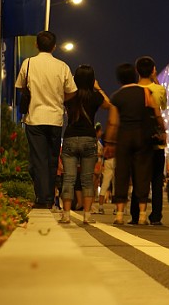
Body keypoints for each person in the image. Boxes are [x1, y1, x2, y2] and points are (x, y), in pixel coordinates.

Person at [16, 31, 78, 209]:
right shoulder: (62, 66)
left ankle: (42, 198)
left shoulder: (28, 63)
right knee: (51, 159)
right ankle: (49, 197)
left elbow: (20, 86)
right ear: (54, 47)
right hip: (55, 118)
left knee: (38, 159)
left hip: (34, 118)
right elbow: (72, 91)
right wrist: (59, 99)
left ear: (36, 45)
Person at [103, 63, 163, 226]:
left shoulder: (117, 96)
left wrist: (109, 142)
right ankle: (143, 215)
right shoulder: (145, 92)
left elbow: (113, 122)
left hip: (124, 138)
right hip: (143, 137)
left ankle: (120, 214)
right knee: (142, 174)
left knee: (122, 174)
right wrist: (162, 130)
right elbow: (157, 114)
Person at [58, 65, 111, 225]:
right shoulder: (94, 97)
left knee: (69, 178)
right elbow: (108, 104)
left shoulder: (69, 96)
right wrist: (98, 87)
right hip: (89, 138)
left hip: (70, 138)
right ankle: (87, 216)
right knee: (87, 179)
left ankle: (66, 214)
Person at [130, 56, 168, 226]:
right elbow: (163, 107)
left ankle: (136, 213)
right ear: (153, 70)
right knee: (157, 179)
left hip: (137, 140)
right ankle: (156, 216)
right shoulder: (159, 90)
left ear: (137, 71)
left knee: (138, 177)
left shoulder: (131, 90)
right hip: (156, 140)